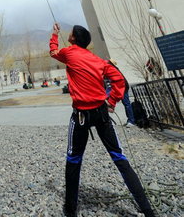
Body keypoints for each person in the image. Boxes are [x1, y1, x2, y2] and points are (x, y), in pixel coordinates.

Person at [50, 23, 155, 217]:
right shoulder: (98, 60)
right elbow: (119, 80)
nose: (69, 33)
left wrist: (55, 35)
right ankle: (147, 211)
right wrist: (112, 102)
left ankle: (71, 210)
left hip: (81, 115)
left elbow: (54, 52)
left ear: (73, 39)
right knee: (119, 158)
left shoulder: (69, 53)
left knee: (73, 159)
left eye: (70, 32)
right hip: (102, 113)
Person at [106, 59, 135, 127]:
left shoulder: (114, 72)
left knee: (127, 104)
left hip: (123, 89)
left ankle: (131, 120)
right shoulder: (114, 71)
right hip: (122, 89)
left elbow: (117, 83)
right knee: (126, 104)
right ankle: (130, 120)